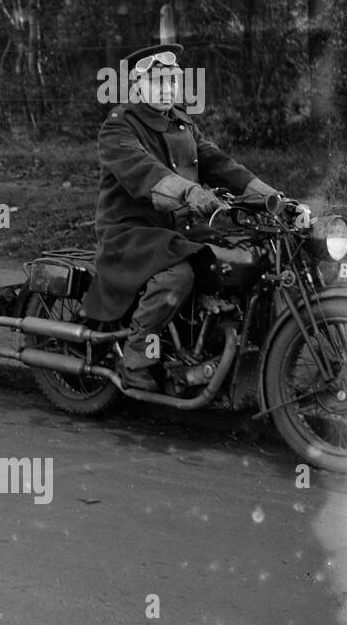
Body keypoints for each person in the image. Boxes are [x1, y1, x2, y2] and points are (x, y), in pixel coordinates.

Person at [80, 42, 287, 390]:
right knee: (176, 277)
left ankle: (212, 346)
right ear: (137, 85)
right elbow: (144, 172)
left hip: (180, 228)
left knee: (244, 260)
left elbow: (219, 164)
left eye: (171, 82)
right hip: (133, 232)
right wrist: (191, 193)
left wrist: (273, 198)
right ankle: (135, 357)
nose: (166, 89)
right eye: (157, 82)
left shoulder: (181, 123)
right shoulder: (119, 126)